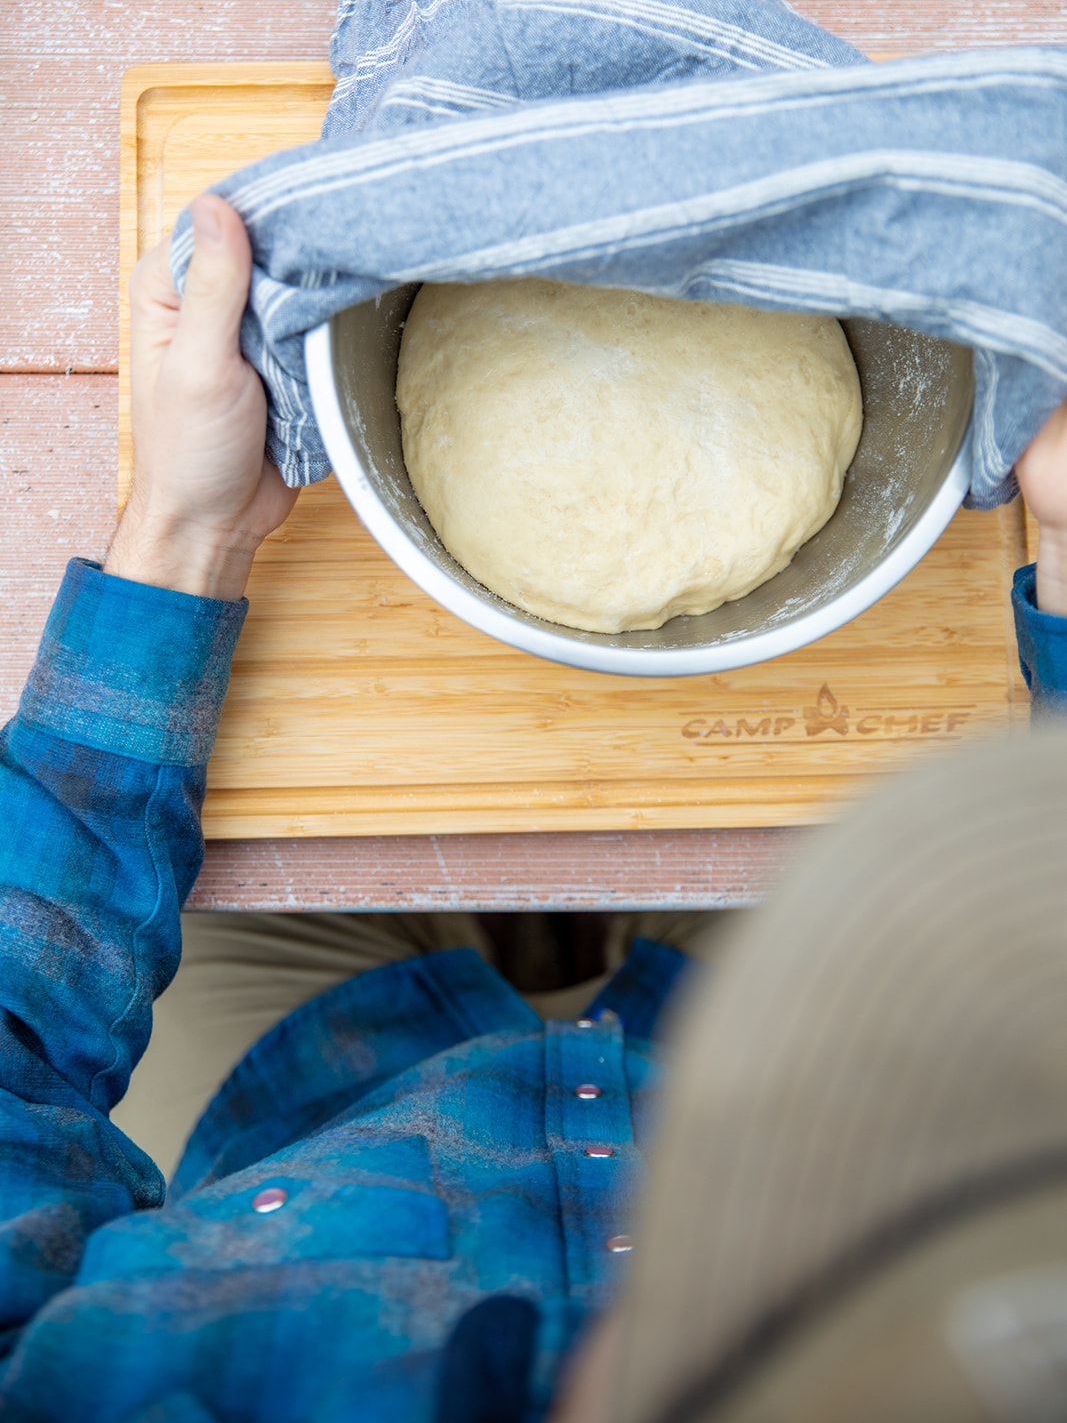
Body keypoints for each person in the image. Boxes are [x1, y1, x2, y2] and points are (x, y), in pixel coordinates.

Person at [0, 194, 1065, 1423]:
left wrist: (188, 530)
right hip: (817, 1056)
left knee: (236, 873)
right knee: (914, 875)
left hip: (319, 1086)